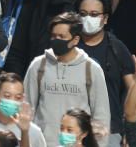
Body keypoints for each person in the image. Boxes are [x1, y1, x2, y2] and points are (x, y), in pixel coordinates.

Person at [24, 11, 111, 145]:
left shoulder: (91, 69)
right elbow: (26, 108)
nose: (56, 40)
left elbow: (101, 115)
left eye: (62, 37)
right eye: (53, 36)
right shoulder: (38, 65)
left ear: (75, 39)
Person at [74, 0, 134, 144]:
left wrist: (131, 129)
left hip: (109, 130)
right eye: (83, 14)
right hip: (72, 130)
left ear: (105, 18)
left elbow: (133, 90)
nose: (88, 18)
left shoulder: (117, 49)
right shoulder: (68, 47)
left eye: (94, 14)